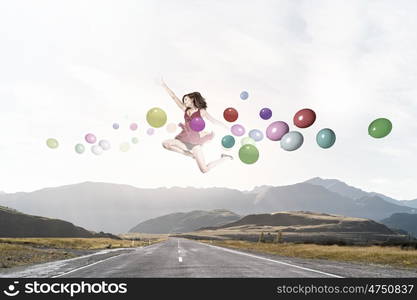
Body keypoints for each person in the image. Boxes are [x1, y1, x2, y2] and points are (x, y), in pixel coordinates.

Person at [159, 78, 233, 173]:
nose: (184, 102)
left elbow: (214, 121)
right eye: (184, 100)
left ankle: (225, 158)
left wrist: (226, 127)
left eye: (186, 99)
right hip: (184, 139)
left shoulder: (201, 112)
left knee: (204, 170)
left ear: (192, 99)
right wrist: (163, 85)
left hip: (195, 143)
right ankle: (190, 155)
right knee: (166, 144)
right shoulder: (185, 109)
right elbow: (173, 97)